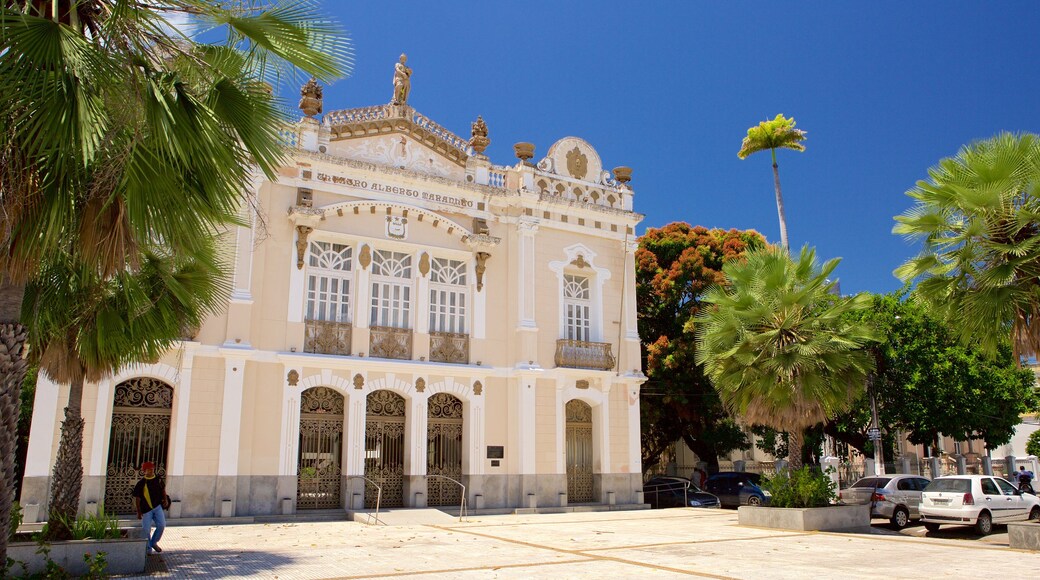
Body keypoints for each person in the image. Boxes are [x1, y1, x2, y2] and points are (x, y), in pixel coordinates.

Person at [132, 461, 168, 554]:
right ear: (144, 471)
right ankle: (148, 548)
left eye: (152, 469)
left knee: (161, 525)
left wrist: (165, 500)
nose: (151, 471)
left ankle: (153, 543)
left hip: (157, 507)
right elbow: (138, 499)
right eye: (148, 469)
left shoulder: (158, 479)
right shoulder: (141, 483)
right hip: (146, 510)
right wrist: (139, 512)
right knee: (146, 530)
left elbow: (163, 490)